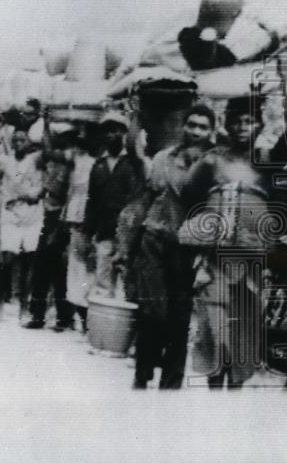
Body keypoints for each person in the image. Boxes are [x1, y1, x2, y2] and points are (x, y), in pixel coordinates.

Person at [182, 95, 276, 389]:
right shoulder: (212, 160)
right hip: (215, 262)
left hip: (251, 264)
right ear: (226, 124)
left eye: (249, 121)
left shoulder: (267, 161)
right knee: (214, 331)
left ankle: (233, 400)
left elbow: (284, 202)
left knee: (243, 333)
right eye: (236, 121)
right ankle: (214, 399)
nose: (242, 127)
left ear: (260, 124)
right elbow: (190, 197)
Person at [127, 104, 215, 389]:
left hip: (188, 249)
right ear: (183, 126)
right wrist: (128, 245)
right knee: (152, 312)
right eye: (192, 124)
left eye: (203, 127)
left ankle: (171, 383)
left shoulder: (214, 166)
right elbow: (146, 198)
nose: (196, 131)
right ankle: (142, 376)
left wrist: (205, 257)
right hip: (155, 241)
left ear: (212, 131)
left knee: (179, 320)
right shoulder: (164, 158)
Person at [83, 112, 146, 299]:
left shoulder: (134, 163)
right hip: (105, 232)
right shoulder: (98, 166)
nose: (111, 135)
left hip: (130, 234)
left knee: (128, 283)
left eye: (116, 130)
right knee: (103, 282)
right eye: (107, 131)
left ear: (124, 133)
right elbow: (92, 201)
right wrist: (88, 233)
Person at [25, 122, 75, 330]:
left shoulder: (67, 158)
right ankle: (52, 316)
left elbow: (46, 150)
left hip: (60, 218)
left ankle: (54, 316)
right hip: (52, 216)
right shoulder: (58, 160)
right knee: (50, 268)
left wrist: (45, 120)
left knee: (50, 268)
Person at [0, 127, 42, 318]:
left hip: (32, 216)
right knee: (7, 259)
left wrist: (45, 122)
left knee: (30, 262)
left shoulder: (35, 159)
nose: (19, 143)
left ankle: (24, 306)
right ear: (12, 144)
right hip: (11, 216)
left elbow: (49, 148)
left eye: (23, 140)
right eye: (16, 140)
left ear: (29, 143)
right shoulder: (6, 161)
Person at [62, 130, 96, 332]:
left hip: (84, 220)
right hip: (76, 219)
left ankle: (85, 317)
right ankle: (80, 316)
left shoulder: (89, 164)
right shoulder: (77, 165)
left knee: (82, 270)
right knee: (78, 270)